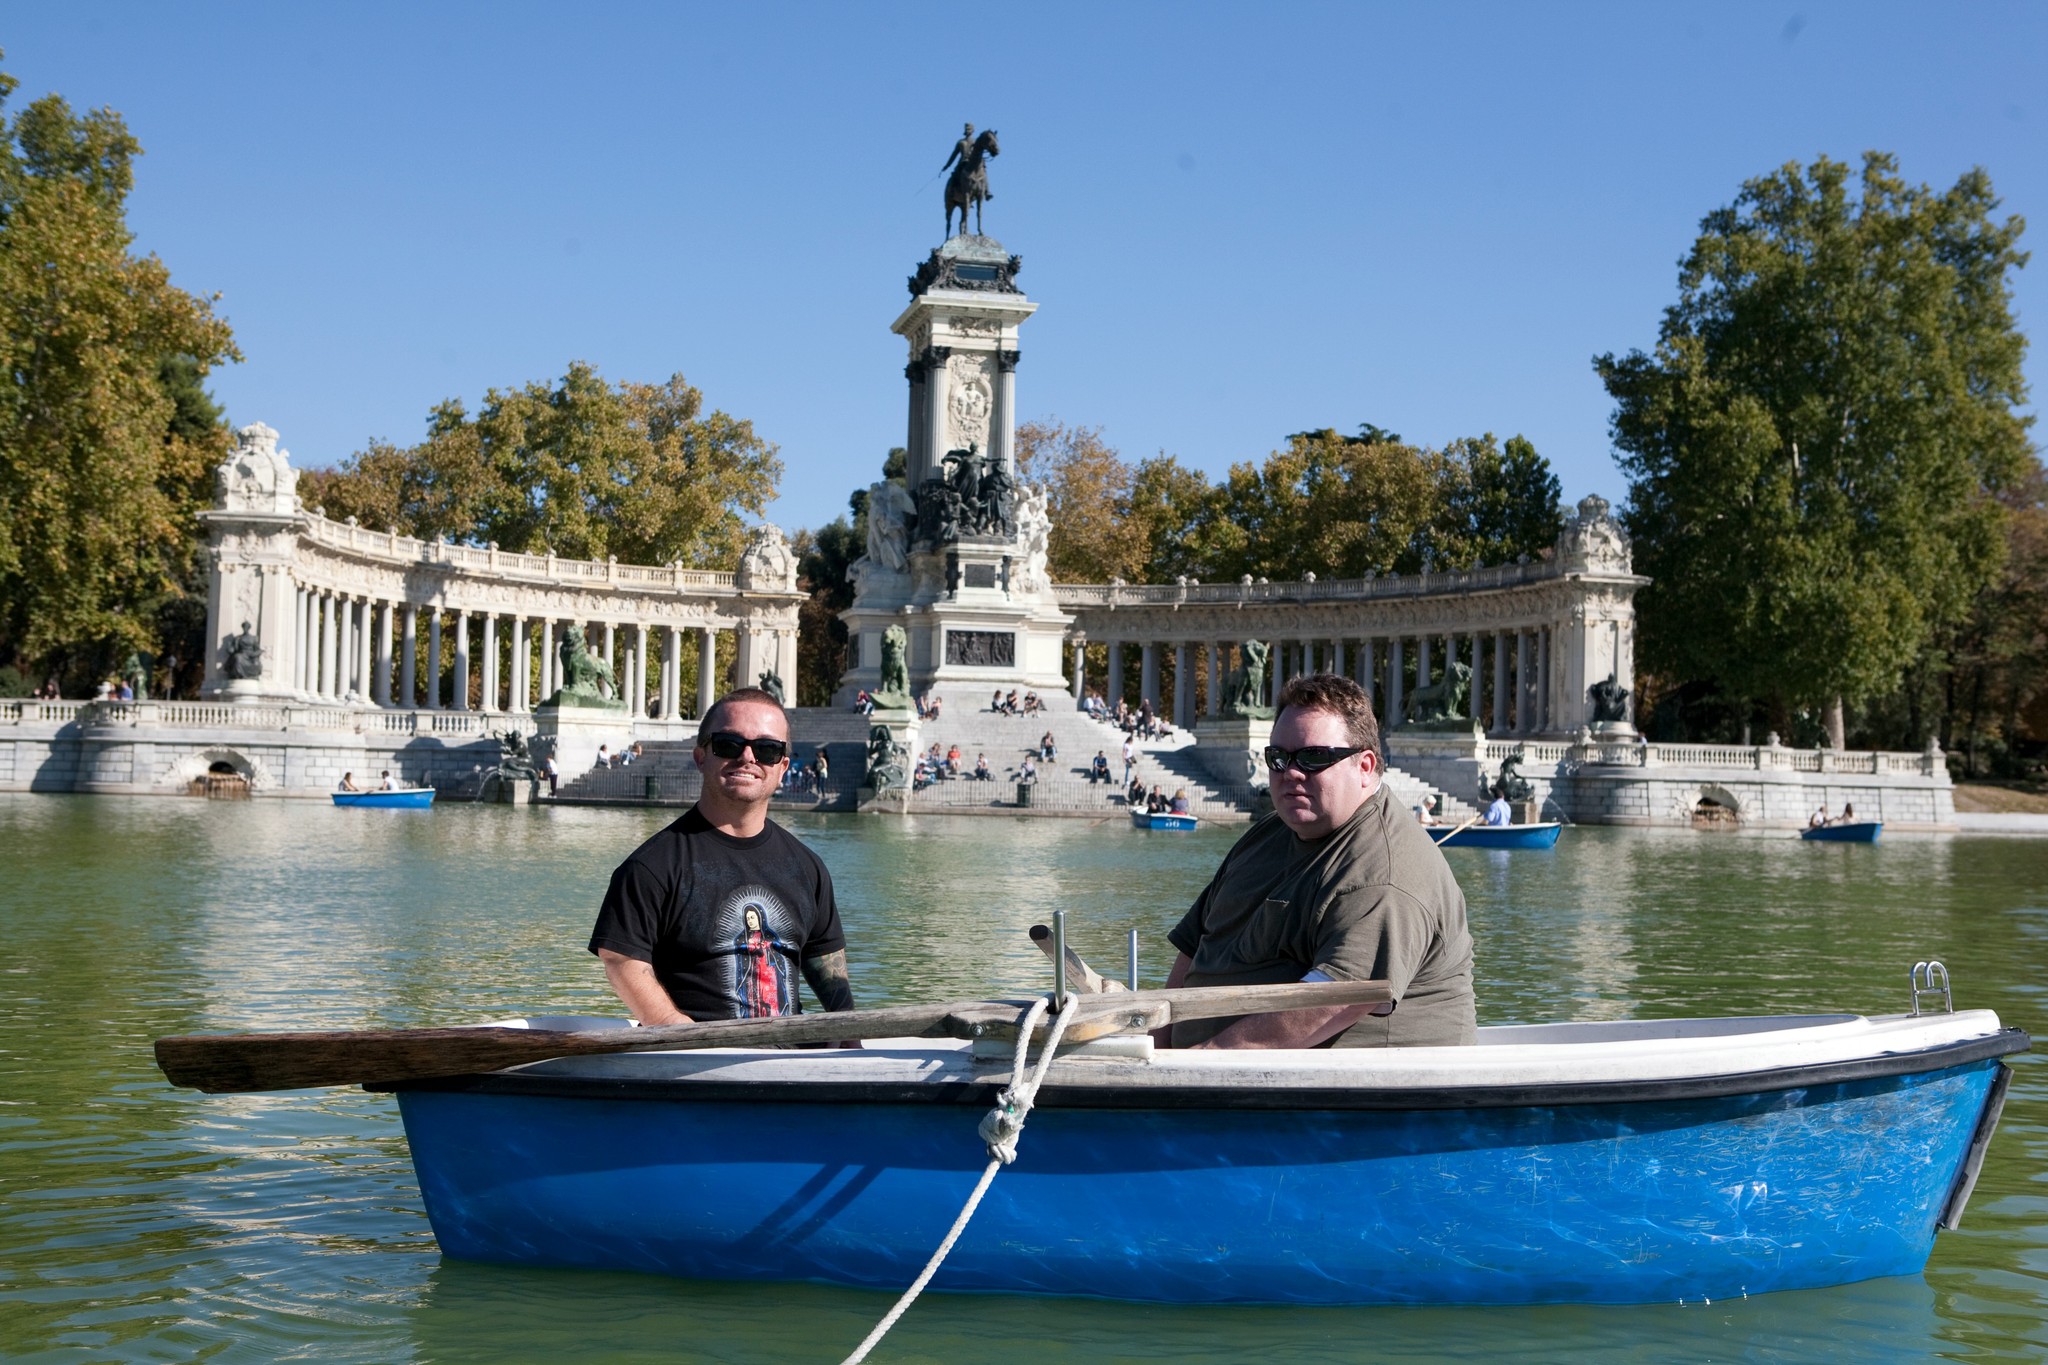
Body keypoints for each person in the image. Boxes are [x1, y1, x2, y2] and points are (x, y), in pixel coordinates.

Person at [1161, 673, 1475, 1050]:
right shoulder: (1269, 834)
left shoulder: (1383, 872)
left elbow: (1333, 997)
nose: (1291, 773)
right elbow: (1194, 950)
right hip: (1210, 1085)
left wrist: (1196, 1063)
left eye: (1313, 758)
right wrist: (1157, 1044)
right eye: (1277, 758)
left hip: (1351, 1098)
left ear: (1364, 766)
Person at [588, 687, 856, 1030]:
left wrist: (851, 1036)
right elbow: (623, 961)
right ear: (701, 756)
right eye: (729, 744)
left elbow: (824, 961)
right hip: (694, 1061)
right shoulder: (651, 866)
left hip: (790, 1059)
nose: (748, 757)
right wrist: (675, 1029)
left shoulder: (808, 866)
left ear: (782, 767)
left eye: (767, 750)